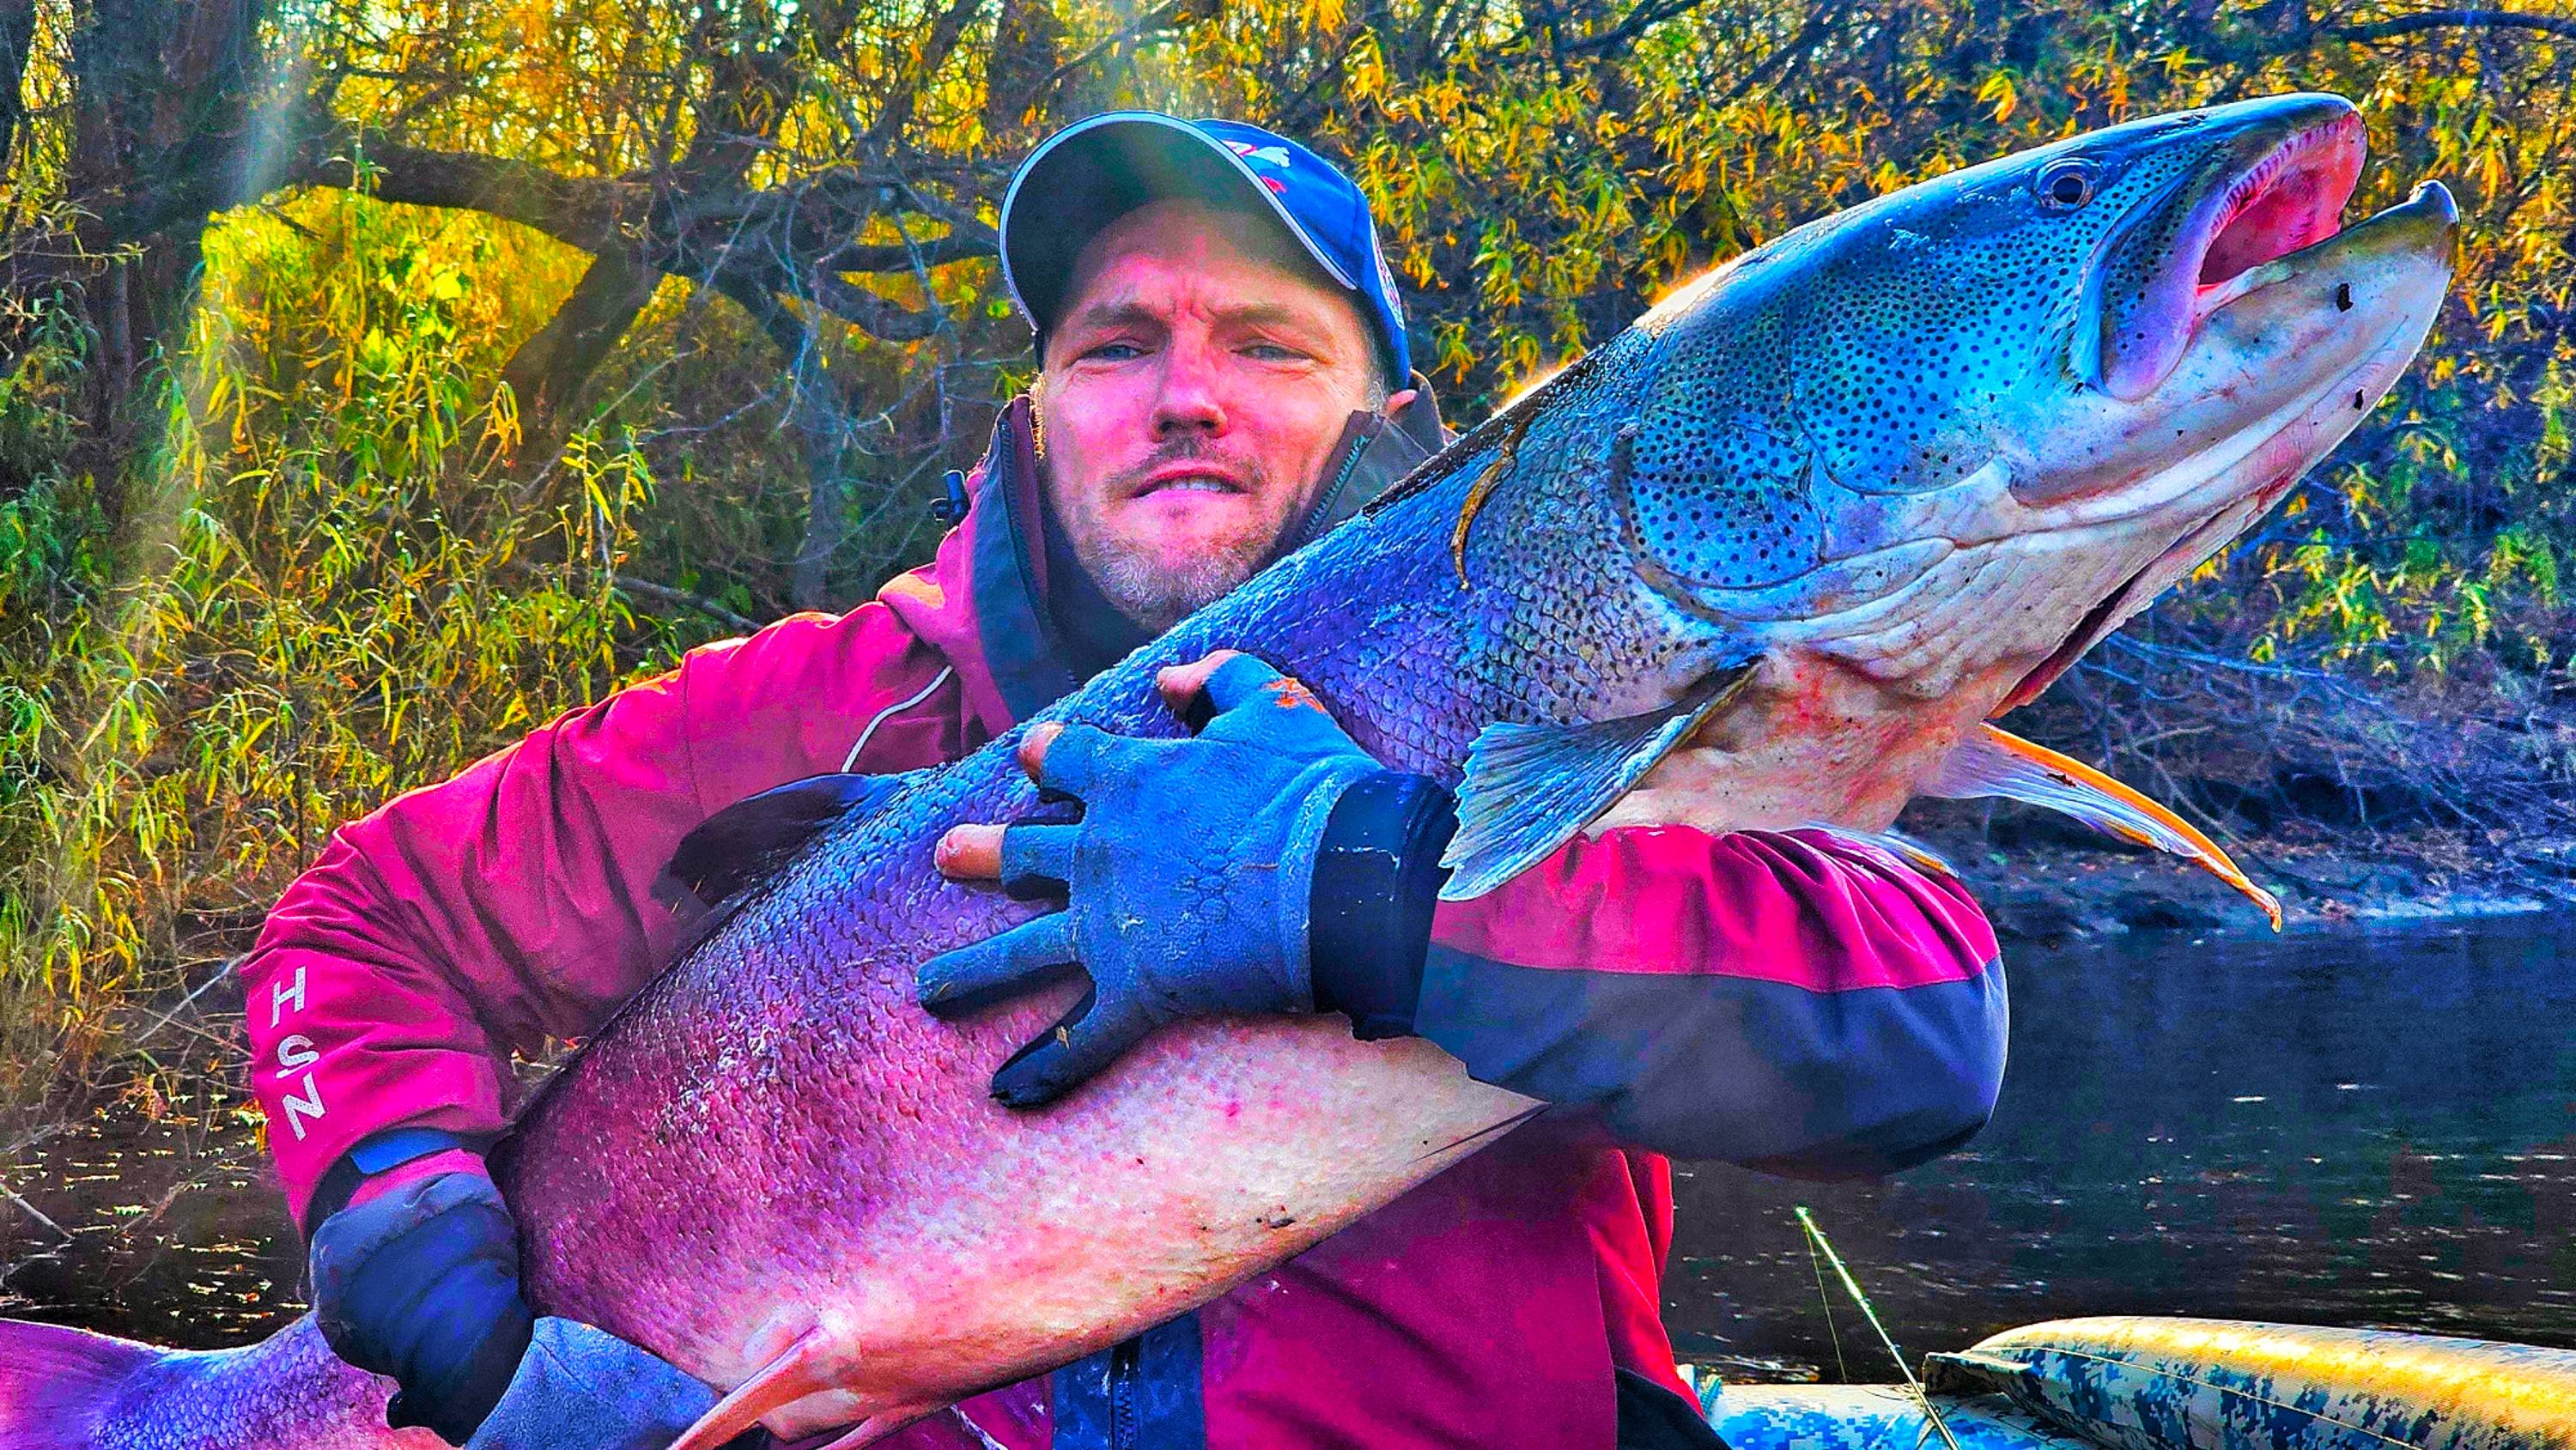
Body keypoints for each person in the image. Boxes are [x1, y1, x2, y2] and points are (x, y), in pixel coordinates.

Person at [244, 112, 2008, 1450]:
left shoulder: (1580, 665)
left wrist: (1371, 885)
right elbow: (362, 919)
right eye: (1115, 344)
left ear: (1390, 414)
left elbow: (1924, 1040)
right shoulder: (828, 700)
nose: (1186, 396)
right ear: (1035, 403)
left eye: (1269, 343)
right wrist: (413, 1240)